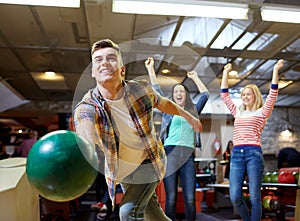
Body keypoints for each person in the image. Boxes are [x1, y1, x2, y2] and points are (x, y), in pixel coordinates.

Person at [73, 39, 202, 221]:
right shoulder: (88, 105)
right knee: (153, 216)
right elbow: (84, 126)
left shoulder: (139, 90)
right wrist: (85, 145)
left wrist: (188, 116)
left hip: (149, 161)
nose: (104, 63)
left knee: (128, 213)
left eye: (111, 58)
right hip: (123, 171)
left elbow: (162, 102)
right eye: (98, 60)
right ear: (93, 72)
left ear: (122, 69)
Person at [145, 57, 209, 221]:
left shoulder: (193, 110)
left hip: (188, 155)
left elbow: (205, 94)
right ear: (173, 97)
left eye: (182, 91)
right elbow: (157, 90)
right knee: (171, 198)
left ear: (186, 95)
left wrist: (194, 77)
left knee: (189, 198)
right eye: (176, 92)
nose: (179, 94)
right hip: (170, 153)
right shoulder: (168, 110)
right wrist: (151, 69)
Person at [220, 59, 284, 221]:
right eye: (243, 94)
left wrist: (275, 70)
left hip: (253, 153)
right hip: (236, 156)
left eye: (248, 93)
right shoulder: (237, 112)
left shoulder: (263, 112)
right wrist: (225, 73)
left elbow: (273, 93)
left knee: (255, 196)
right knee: (235, 196)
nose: (245, 96)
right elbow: (224, 94)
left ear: (255, 95)